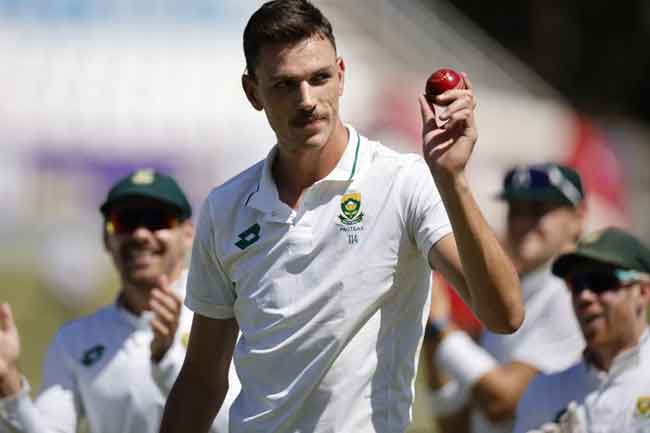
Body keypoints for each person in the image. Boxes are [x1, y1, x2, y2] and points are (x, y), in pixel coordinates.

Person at [159, 1, 524, 433]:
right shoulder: (225, 207)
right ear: (252, 92)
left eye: (320, 78)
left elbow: (504, 315)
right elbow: (201, 380)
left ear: (342, 75)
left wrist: (454, 180)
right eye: (284, 85)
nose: (307, 101)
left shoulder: (403, 182)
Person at [0, 169, 238, 433]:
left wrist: (167, 358)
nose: (140, 234)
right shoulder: (75, 340)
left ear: (188, 235)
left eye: (157, 220)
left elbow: (237, 425)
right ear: (106, 238)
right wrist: (8, 380)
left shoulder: (227, 321)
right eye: (125, 221)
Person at [424, 162, 587, 433]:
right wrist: (432, 334)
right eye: (515, 210)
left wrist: (442, 328)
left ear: (577, 218)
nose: (522, 223)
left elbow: (504, 402)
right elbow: (455, 426)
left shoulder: (577, 291)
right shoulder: (521, 291)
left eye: (537, 210)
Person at [515, 227, 650, 433]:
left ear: (642, 292)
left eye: (601, 281)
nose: (584, 296)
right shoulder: (542, 393)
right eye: (576, 285)